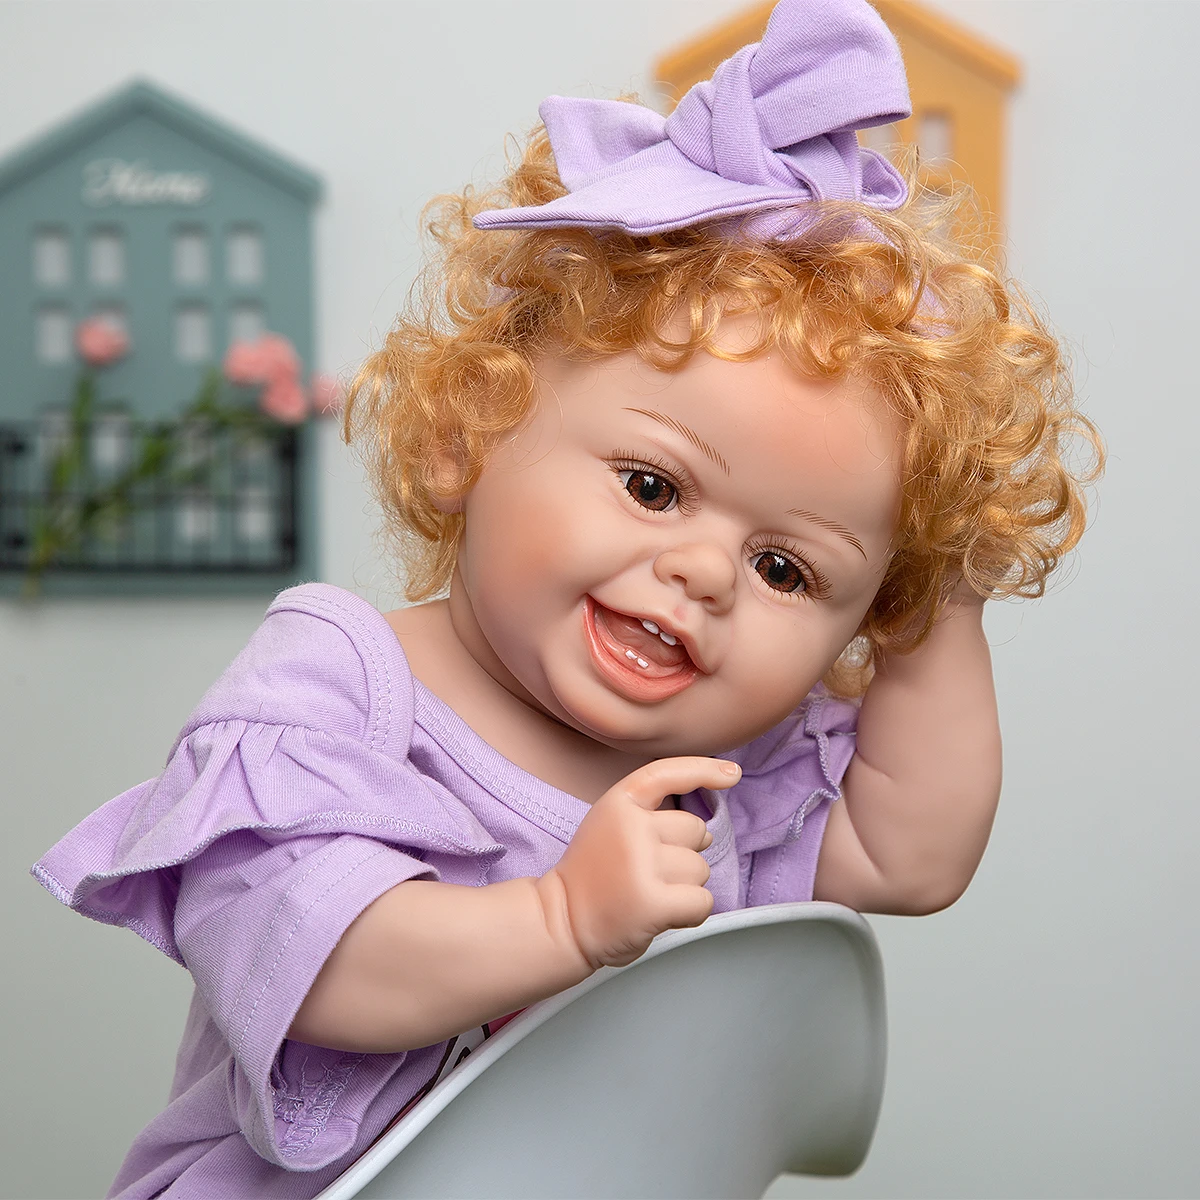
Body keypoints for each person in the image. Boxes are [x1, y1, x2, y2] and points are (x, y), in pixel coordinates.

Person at [31, 1, 1101, 1196]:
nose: (707, 572)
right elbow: (309, 964)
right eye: (654, 486)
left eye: (787, 570)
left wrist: (943, 579)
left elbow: (914, 857)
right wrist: (561, 921)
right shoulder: (335, 690)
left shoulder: (724, 778)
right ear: (467, 434)